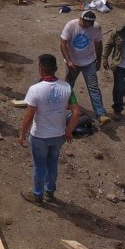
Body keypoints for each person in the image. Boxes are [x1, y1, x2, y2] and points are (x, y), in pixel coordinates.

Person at [18, 54, 81, 205]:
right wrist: (68, 130)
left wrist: (22, 134)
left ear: (40, 70)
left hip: (40, 135)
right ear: (56, 69)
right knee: (52, 164)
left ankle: (37, 195)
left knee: (39, 166)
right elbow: (77, 113)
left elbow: (29, 116)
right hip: (58, 135)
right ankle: (50, 193)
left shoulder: (35, 90)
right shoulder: (67, 88)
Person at [60, 11, 110, 126]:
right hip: (73, 62)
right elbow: (63, 43)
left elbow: (98, 44)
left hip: (89, 62)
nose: (88, 25)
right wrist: (68, 61)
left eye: (90, 23)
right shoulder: (71, 25)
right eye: (86, 22)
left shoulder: (95, 27)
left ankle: (101, 114)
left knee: (93, 87)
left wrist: (98, 60)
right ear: (80, 19)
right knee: (68, 86)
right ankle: (65, 104)